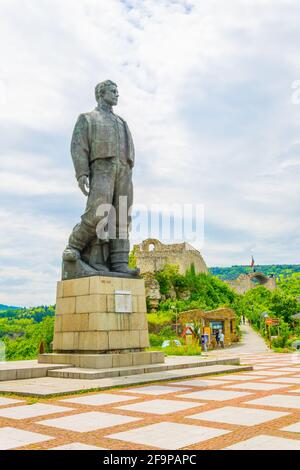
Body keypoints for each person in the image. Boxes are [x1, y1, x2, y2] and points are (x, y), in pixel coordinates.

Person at [62, 80, 139, 278]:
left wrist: (128, 169)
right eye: (112, 91)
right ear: (101, 93)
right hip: (102, 167)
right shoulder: (88, 118)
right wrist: (82, 173)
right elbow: (78, 146)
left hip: (124, 169)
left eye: (117, 91)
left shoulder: (122, 122)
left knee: (122, 216)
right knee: (98, 212)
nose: (116, 94)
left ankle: (120, 261)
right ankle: (74, 245)